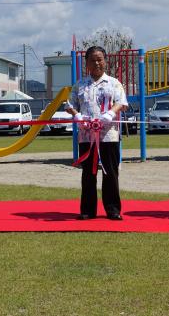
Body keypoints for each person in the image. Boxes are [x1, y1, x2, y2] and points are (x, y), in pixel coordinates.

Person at [66, 46, 128, 221]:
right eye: (92, 60)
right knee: (88, 173)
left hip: (109, 136)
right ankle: (87, 210)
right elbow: (70, 105)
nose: (97, 63)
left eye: (100, 59)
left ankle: (113, 209)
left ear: (105, 61)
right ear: (86, 63)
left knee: (111, 172)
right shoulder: (80, 84)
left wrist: (110, 113)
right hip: (86, 136)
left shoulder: (114, 83)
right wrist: (77, 116)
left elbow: (121, 102)